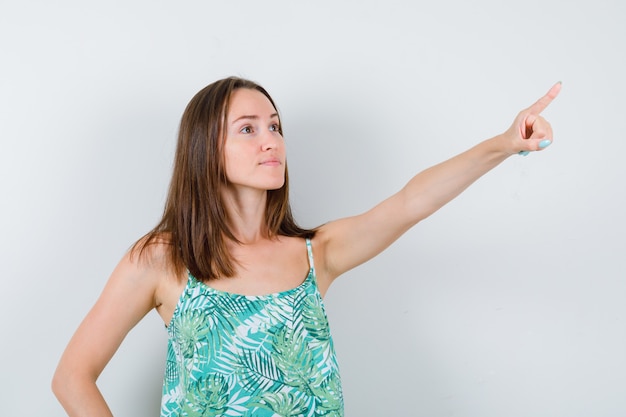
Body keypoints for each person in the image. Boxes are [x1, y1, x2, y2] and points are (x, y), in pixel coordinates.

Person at [52, 76, 561, 417]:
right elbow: (73, 376)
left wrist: (504, 144)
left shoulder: (316, 253)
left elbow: (411, 202)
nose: (270, 140)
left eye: (274, 126)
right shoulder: (163, 258)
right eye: (247, 130)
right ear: (205, 149)